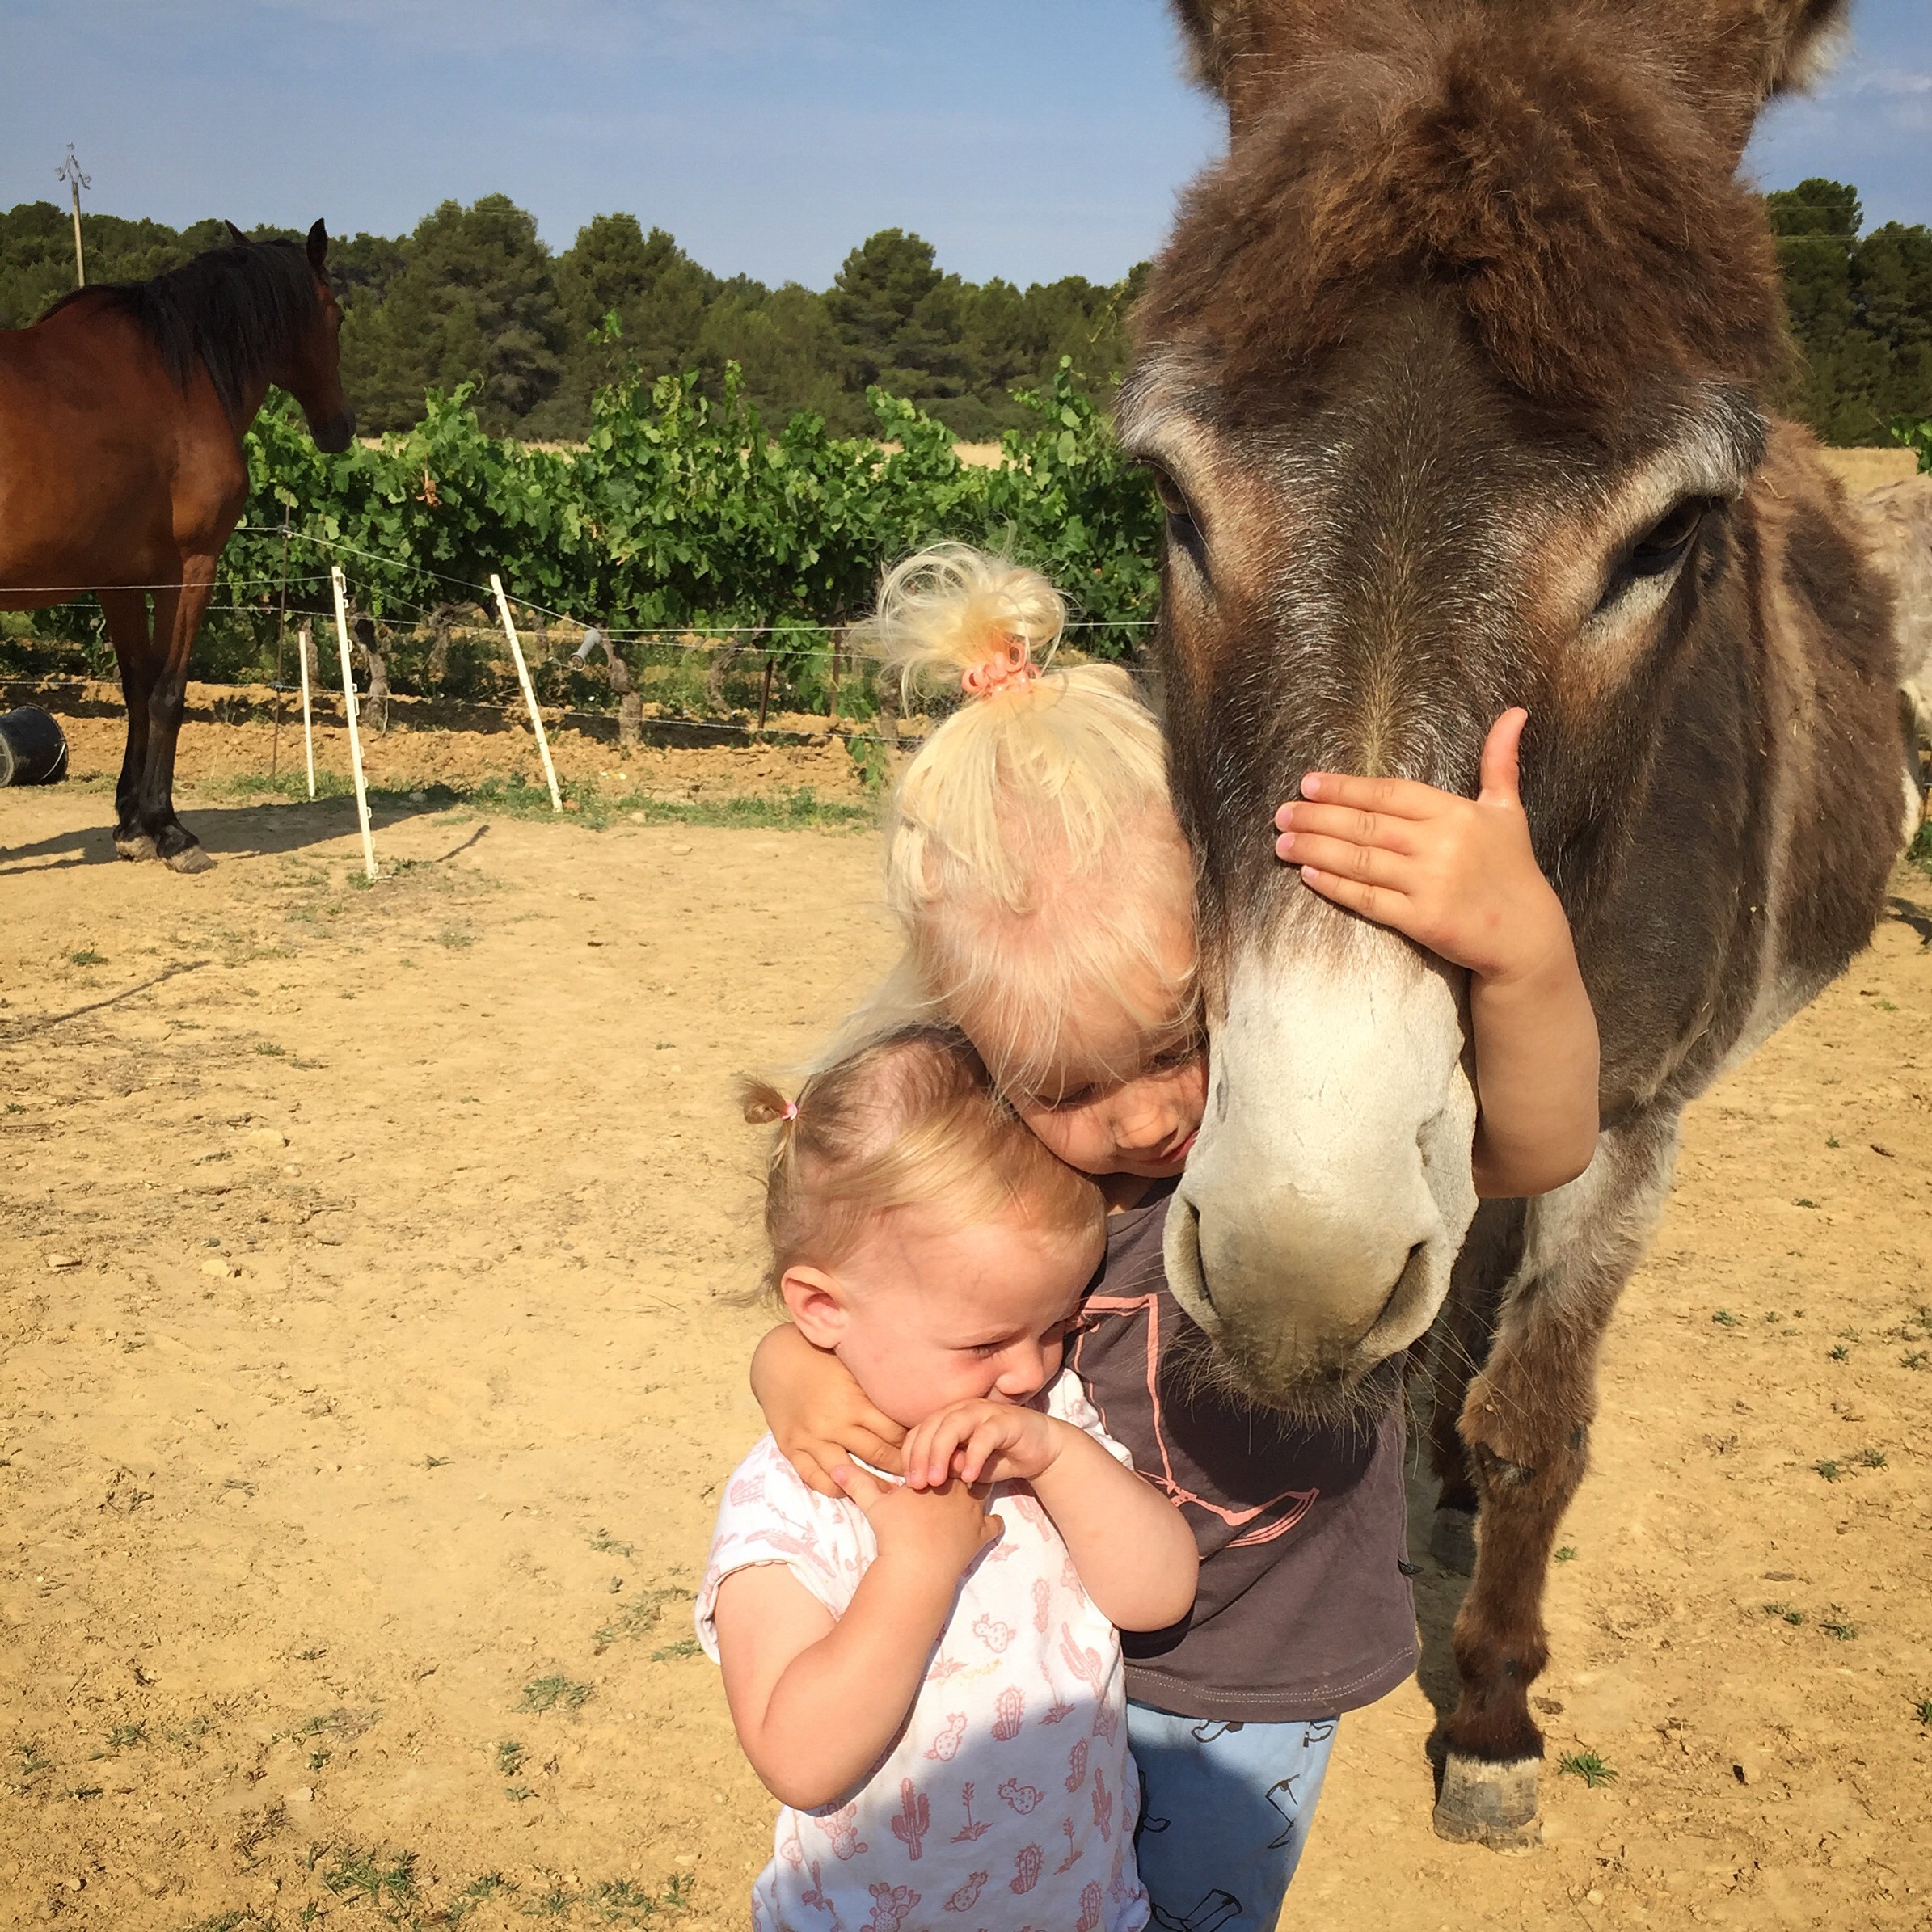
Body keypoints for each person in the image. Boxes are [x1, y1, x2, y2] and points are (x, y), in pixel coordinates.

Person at [749, 546, 1601, 1931]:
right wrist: (790, 1367)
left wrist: (1524, 954)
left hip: (1258, 1681)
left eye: (1169, 1045)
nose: (1144, 1117)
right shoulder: (990, 1145)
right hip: (1043, 1655)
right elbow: (864, 1295)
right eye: (1069, 1088)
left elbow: (1536, 1143)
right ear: (980, 1044)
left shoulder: (1292, 1118)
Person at [698, 1024, 1200, 1932]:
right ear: (821, 1307)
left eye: (1054, 1326)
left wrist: (1061, 1458)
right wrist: (919, 1564)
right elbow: (797, 1758)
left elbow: (1157, 1595)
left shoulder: (1047, 1420)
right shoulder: (794, 1495)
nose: (1027, 1369)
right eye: (984, 1342)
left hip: (1083, 1909)